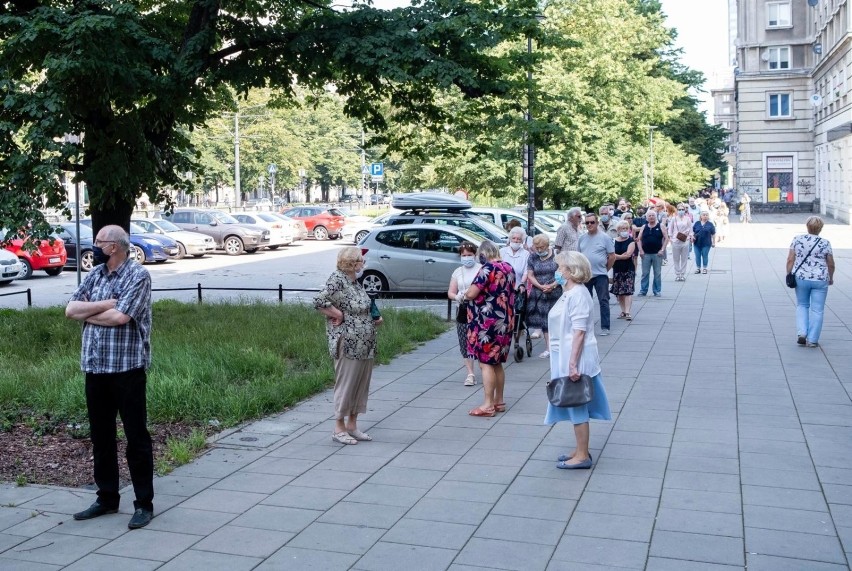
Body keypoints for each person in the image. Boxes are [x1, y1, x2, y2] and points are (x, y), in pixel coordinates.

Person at [65, 225, 155, 530]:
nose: (94, 246)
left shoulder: (138, 276)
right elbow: (70, 309)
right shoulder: (95, 274)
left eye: (99, 242)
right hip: (95, 368)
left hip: (127, 370)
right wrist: (105, 304)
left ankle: (143, 503)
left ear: (114, 246)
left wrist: (89, 313)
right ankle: (107, 497)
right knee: (101, 437)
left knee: (136, 438)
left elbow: (122, 318)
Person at [545, 251, 612, 469]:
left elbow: (579, 331)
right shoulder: (569, 292)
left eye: (560, 268)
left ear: (571, 271)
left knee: (577, 405)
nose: (557, 271)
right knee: (575, 405)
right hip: (564, 354)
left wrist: (572, 363)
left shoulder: (578, 295)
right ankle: (579, 449)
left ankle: (582, 455)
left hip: (575, 357)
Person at [314, 246, 383, 445]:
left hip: (364, 341)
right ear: (353, 263)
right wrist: (337, 314)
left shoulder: (355, 281)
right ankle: (338, 428)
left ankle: (352, 425)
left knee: (360, 384)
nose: (364, 263)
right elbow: (319, 300)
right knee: (346, 384)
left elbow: (362, 305)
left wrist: (373, 317)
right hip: (348, 341)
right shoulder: (338, 279)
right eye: (361, 260)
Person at [466, 240, 515, 417]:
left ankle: (487, 405)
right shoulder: (508, 267)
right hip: (505, 321)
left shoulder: (487, 268)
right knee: (497, 363)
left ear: (483, 254)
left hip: (487, 323)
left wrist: (465, 294)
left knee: (486, 363)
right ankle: (498, 401)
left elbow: (472, 293)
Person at [787, 216, 835, 348]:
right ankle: (813, 340)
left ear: (807, 226)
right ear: (820, 228)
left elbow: (790, 259)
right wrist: (830, 278)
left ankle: (802, 333)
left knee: (802, 305)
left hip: (801, 278)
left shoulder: (797, 239)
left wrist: (788, 273)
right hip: (820, 279)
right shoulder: (825, 243)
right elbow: (830, 264)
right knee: (818, 310)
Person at [448, 242, 481, 386]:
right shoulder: (458, 272)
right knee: (464, 341)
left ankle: (485, 368)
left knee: (480, 339)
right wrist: (457, 297)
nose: (466, 258)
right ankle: (470, 373)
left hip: (479, 309)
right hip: (462, 308)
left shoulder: (481, 269)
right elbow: (450, 292)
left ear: (475, 255)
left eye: (469, 255)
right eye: (464, 255)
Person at [578, 213, 615, 335]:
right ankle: (587, 326)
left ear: (597, 223)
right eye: (587, 222)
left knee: (603, 300)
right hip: (586, 275)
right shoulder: (582, 238)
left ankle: (605, 327)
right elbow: (579, 256)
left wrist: (605, 269)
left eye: (592, 222)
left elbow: (612, 256)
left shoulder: (605, 237)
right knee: (585, 302)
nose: (589, 225)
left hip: (600, 275)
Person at [526, 234, 563, 355]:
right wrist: (540, 286)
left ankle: (560, 344)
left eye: (542, 247)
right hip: (539, 292)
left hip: (555, 291)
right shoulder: (532, 257)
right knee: (544, 320)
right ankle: (549, 348)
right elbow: (530, 275)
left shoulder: (557, 255)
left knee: (557, 320)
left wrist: (553, 285)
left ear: (548, 245)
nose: (539, 250)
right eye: (537, 247)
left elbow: (562, 273)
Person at [637, 209, 668, 297]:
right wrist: (641, 250)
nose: (651, 217)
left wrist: (662, 249)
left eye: (653, 215)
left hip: (657, 254)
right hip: (646, 254)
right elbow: (638, 239)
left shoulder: (661, 226)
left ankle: (657, 290)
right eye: (649, 216)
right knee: (645, 273)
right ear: (646, 218)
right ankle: (643, 290)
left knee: (657, 273)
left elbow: (666, 238)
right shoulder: (644, 227)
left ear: (656, 217)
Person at [610, 220, 636, 321]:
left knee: (628, 291)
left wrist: (617, 256)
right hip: (617, 268)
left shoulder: (631, 241)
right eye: (622, 229)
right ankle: (623, 311)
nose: (624, 230)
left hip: (628, 268)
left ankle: (628, 311)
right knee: (619, 292)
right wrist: (621, 256)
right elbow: (611, 254)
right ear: (618, 230)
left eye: (626, 228)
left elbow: (628, 255)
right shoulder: (613, 241)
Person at [668, 203, 693, 282]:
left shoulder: (687, 219)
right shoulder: (674, 219)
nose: (681, 211)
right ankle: (677, 274)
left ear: (685, 210)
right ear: (677, 210)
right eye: (679, 210)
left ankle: (682, 274)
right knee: (676, 258)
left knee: (684, 258)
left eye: (682, 209)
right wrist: (671, 238)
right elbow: (670, 229)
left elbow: (691, 230)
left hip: (685, 240)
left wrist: (689, 237)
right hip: (675, 241)